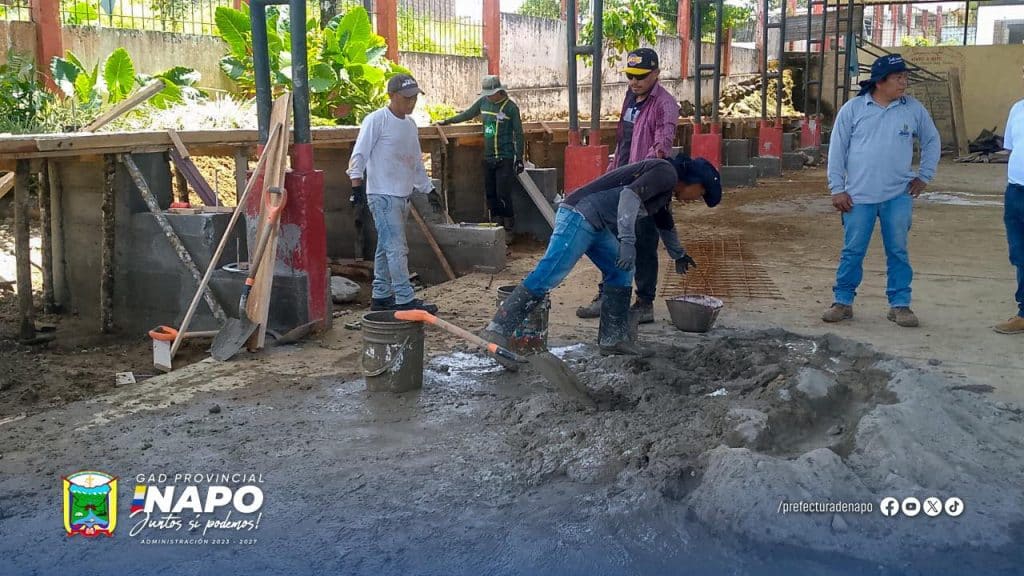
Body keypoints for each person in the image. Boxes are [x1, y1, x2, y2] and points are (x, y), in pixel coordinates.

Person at [481, 155, 721, 357]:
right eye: (700, 194)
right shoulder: (666, 173)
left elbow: (665, 223)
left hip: (595, 224)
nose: (694, 200)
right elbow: (629, 196)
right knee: (549, 273)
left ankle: (612, 339)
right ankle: (498, 329)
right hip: (579, 215)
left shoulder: (665, 190)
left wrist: (678, 254)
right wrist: (628, 241)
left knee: (622, 270)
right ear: (695, 181)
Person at [823, 54, 940, 328]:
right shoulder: (853, 109)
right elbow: (837, 151)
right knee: (853, 250)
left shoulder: (912, 109)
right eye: (898, 77)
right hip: (857, 197)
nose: (904, 82)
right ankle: (843, 301)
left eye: (905, 77)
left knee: (898, 250)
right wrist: (837, 188)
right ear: (880, 81)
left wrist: (924, 176)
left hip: (897, 195)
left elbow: (932, 140)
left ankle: (900, 304)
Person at [577, 48, 683, 324]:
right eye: (630, 76)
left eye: (641, 76)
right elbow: (624, 140)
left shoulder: (665, 105)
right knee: (611, 242)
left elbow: (661, 145)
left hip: (646, 186)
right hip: (621, 181)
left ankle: (644, 303)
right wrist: (614, 174)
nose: (634, 82)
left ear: (657, 74)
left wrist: (641, 180)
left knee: (645, 243)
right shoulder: (630, 98)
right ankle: (607, 296)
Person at [347, 73, 443, 313]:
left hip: (402, 196)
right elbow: (359, 154)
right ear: (391, 96)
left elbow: (415, 162)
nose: (411, 103)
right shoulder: (376, 120)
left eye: (414, 98)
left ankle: (381, 295)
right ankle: (404, 297)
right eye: (406, 98)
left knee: (386, 246)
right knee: (397, 248)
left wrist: (428, 189)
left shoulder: (410, 125)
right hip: (382, 195)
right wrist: (356, 186)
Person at [435, 75, 525, 231]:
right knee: (491, 194)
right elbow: (467, 114)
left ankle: (509, 228)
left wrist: (519, 157)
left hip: (505, 157)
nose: (489, 97)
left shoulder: (511, 107)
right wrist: (446, 121)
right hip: (488, 157)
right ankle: (497, 226)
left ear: (499, 92)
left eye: (491, 94)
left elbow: (519, 133)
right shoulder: (483, 103)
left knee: (503, 193)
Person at [996, 75, 1024, 334]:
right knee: (1020, 254)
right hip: (1016, 192)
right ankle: (1023, 312)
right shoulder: (1017, 109)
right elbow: (1013, 150)